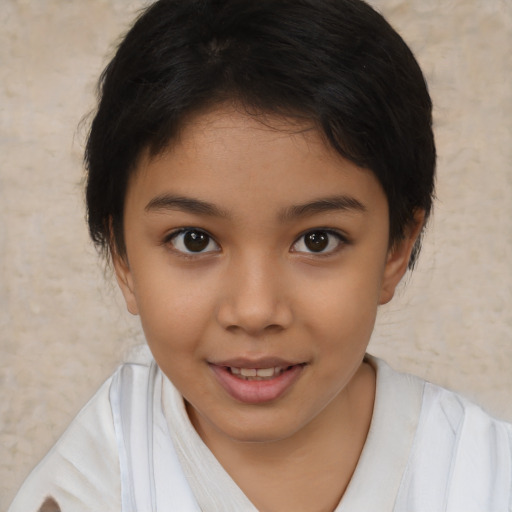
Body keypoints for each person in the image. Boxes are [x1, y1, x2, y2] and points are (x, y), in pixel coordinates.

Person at [8, 0, 512, 510]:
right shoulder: (91, 482)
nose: (254, 310)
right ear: (122, 257)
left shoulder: (484, 477)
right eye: (194, 240)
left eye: (318, 240)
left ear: (395, 249)